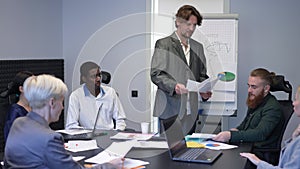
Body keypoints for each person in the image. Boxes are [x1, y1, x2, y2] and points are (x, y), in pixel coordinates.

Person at [4, 74, 122, 169]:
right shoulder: (50, 138)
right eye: (61, 101)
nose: (62, 107)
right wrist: (110, 165)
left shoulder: (18, 123)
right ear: (52, 103)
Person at [150, 5, 212, 135]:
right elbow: (156, 74)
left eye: (194, 25)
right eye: (189, 24)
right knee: (170, 151)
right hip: (170, 109)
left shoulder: (198, 47)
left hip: (191, 111)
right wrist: (174, 86)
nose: (192, 28)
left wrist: (204, 89)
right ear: (178, 21)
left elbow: (201, 75)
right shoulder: (164, 44)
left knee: (189, 150)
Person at [213, 68, 284, 163]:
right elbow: (244, 125)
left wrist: (231, 135)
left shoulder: (272, 108)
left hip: (261, 156)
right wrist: (235, 130)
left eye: (254, 87)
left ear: (266, 88)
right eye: (249, 86)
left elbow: (260, 134)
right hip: (249, 148)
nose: (249, 90)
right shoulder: (257, 101)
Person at [240, 85, 300, 169]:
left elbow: (260, 133)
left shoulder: (272, 107)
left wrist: (259, 162)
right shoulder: (256, 103)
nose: (293, 103)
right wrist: (294, 138)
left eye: (296, 99)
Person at [66, 61, 126, 131]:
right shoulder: (76, 96)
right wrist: (86, 134)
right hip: (87, 137)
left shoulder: (110, 93)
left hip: (109, 135)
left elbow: (120, 119)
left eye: (99, 75)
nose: (98, 79)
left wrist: (117, 132)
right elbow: (71, 125)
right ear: (84, 79)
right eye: (93, 76)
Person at [3, 71, 33, 141]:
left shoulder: (35, 108)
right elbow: (11, 139)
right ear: (21, 89)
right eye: (31, 86)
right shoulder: (15, 112)